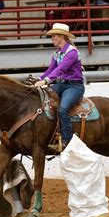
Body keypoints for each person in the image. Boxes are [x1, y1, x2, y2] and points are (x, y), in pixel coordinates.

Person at [34, 23, 85, 152]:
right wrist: (39, 79)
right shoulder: (56, 54)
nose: (52, 38)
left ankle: (68, 140)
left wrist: (46, 80)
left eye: (54, 35)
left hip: (74, 86)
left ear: (63, 36)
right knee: (40, 97)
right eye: (52, 36)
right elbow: (51, 69)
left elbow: (60, 69)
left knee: (62, 109)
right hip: (61, 85)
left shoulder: (72, 52)